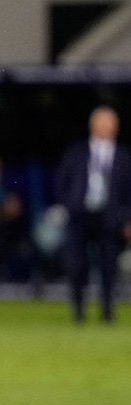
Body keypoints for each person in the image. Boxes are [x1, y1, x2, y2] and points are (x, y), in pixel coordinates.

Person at [55, 105, 131, 323]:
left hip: (109, 216)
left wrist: (126, 218)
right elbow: (63, 180)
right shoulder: (77, 151)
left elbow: (127, 189)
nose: (105, 127)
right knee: (76, 264)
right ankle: (78, 311)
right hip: (80, 214)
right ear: (93, 125)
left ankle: (107, 311)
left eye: (110, 123)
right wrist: (70, 205)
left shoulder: (123, 154)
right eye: (101, 122)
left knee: (108, 265)